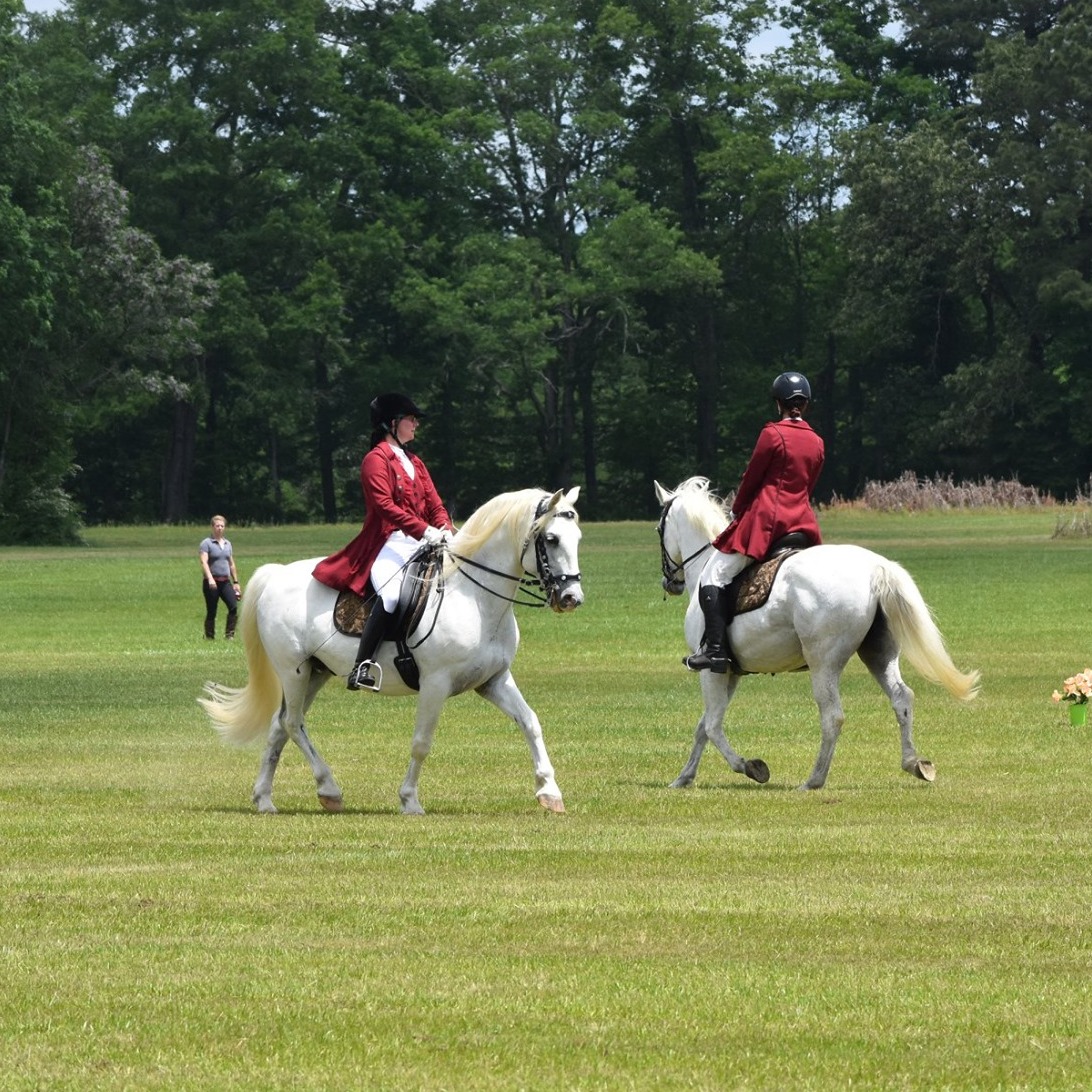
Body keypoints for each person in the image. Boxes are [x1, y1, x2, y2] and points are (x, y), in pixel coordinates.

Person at [683, 371, 825, 674]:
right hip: (802, 524)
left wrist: (738, 509)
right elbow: (808, 485)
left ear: (779, 404)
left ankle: (716, 652)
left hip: (768, 522)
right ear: (806, 405)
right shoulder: (817, 441)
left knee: (715, 576)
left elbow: (752, 478)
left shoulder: (772, 434)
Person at [313, 392, 455, 691]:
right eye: (410, 419)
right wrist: (424, 530)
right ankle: (361, 665)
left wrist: (444, 526)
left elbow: (435, 503)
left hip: (424, 541)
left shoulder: (415, 461)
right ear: (392, 423)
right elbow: (384, 506)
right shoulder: (375, 459)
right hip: (389, 542)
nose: (416, 424)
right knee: (391, 595)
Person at [199, 514, 242, 640]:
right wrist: (210, 578)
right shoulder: (206, 543)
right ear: (212, 527)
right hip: (211, 582)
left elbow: (231, 564)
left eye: (222, 526)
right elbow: (204, 562)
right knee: (212, 610)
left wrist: (236, 582)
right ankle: (210, 636)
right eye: (217, 526)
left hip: (225, 581)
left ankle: (229, 635)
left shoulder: (228, 544)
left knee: (233, 606)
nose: (220, 528)